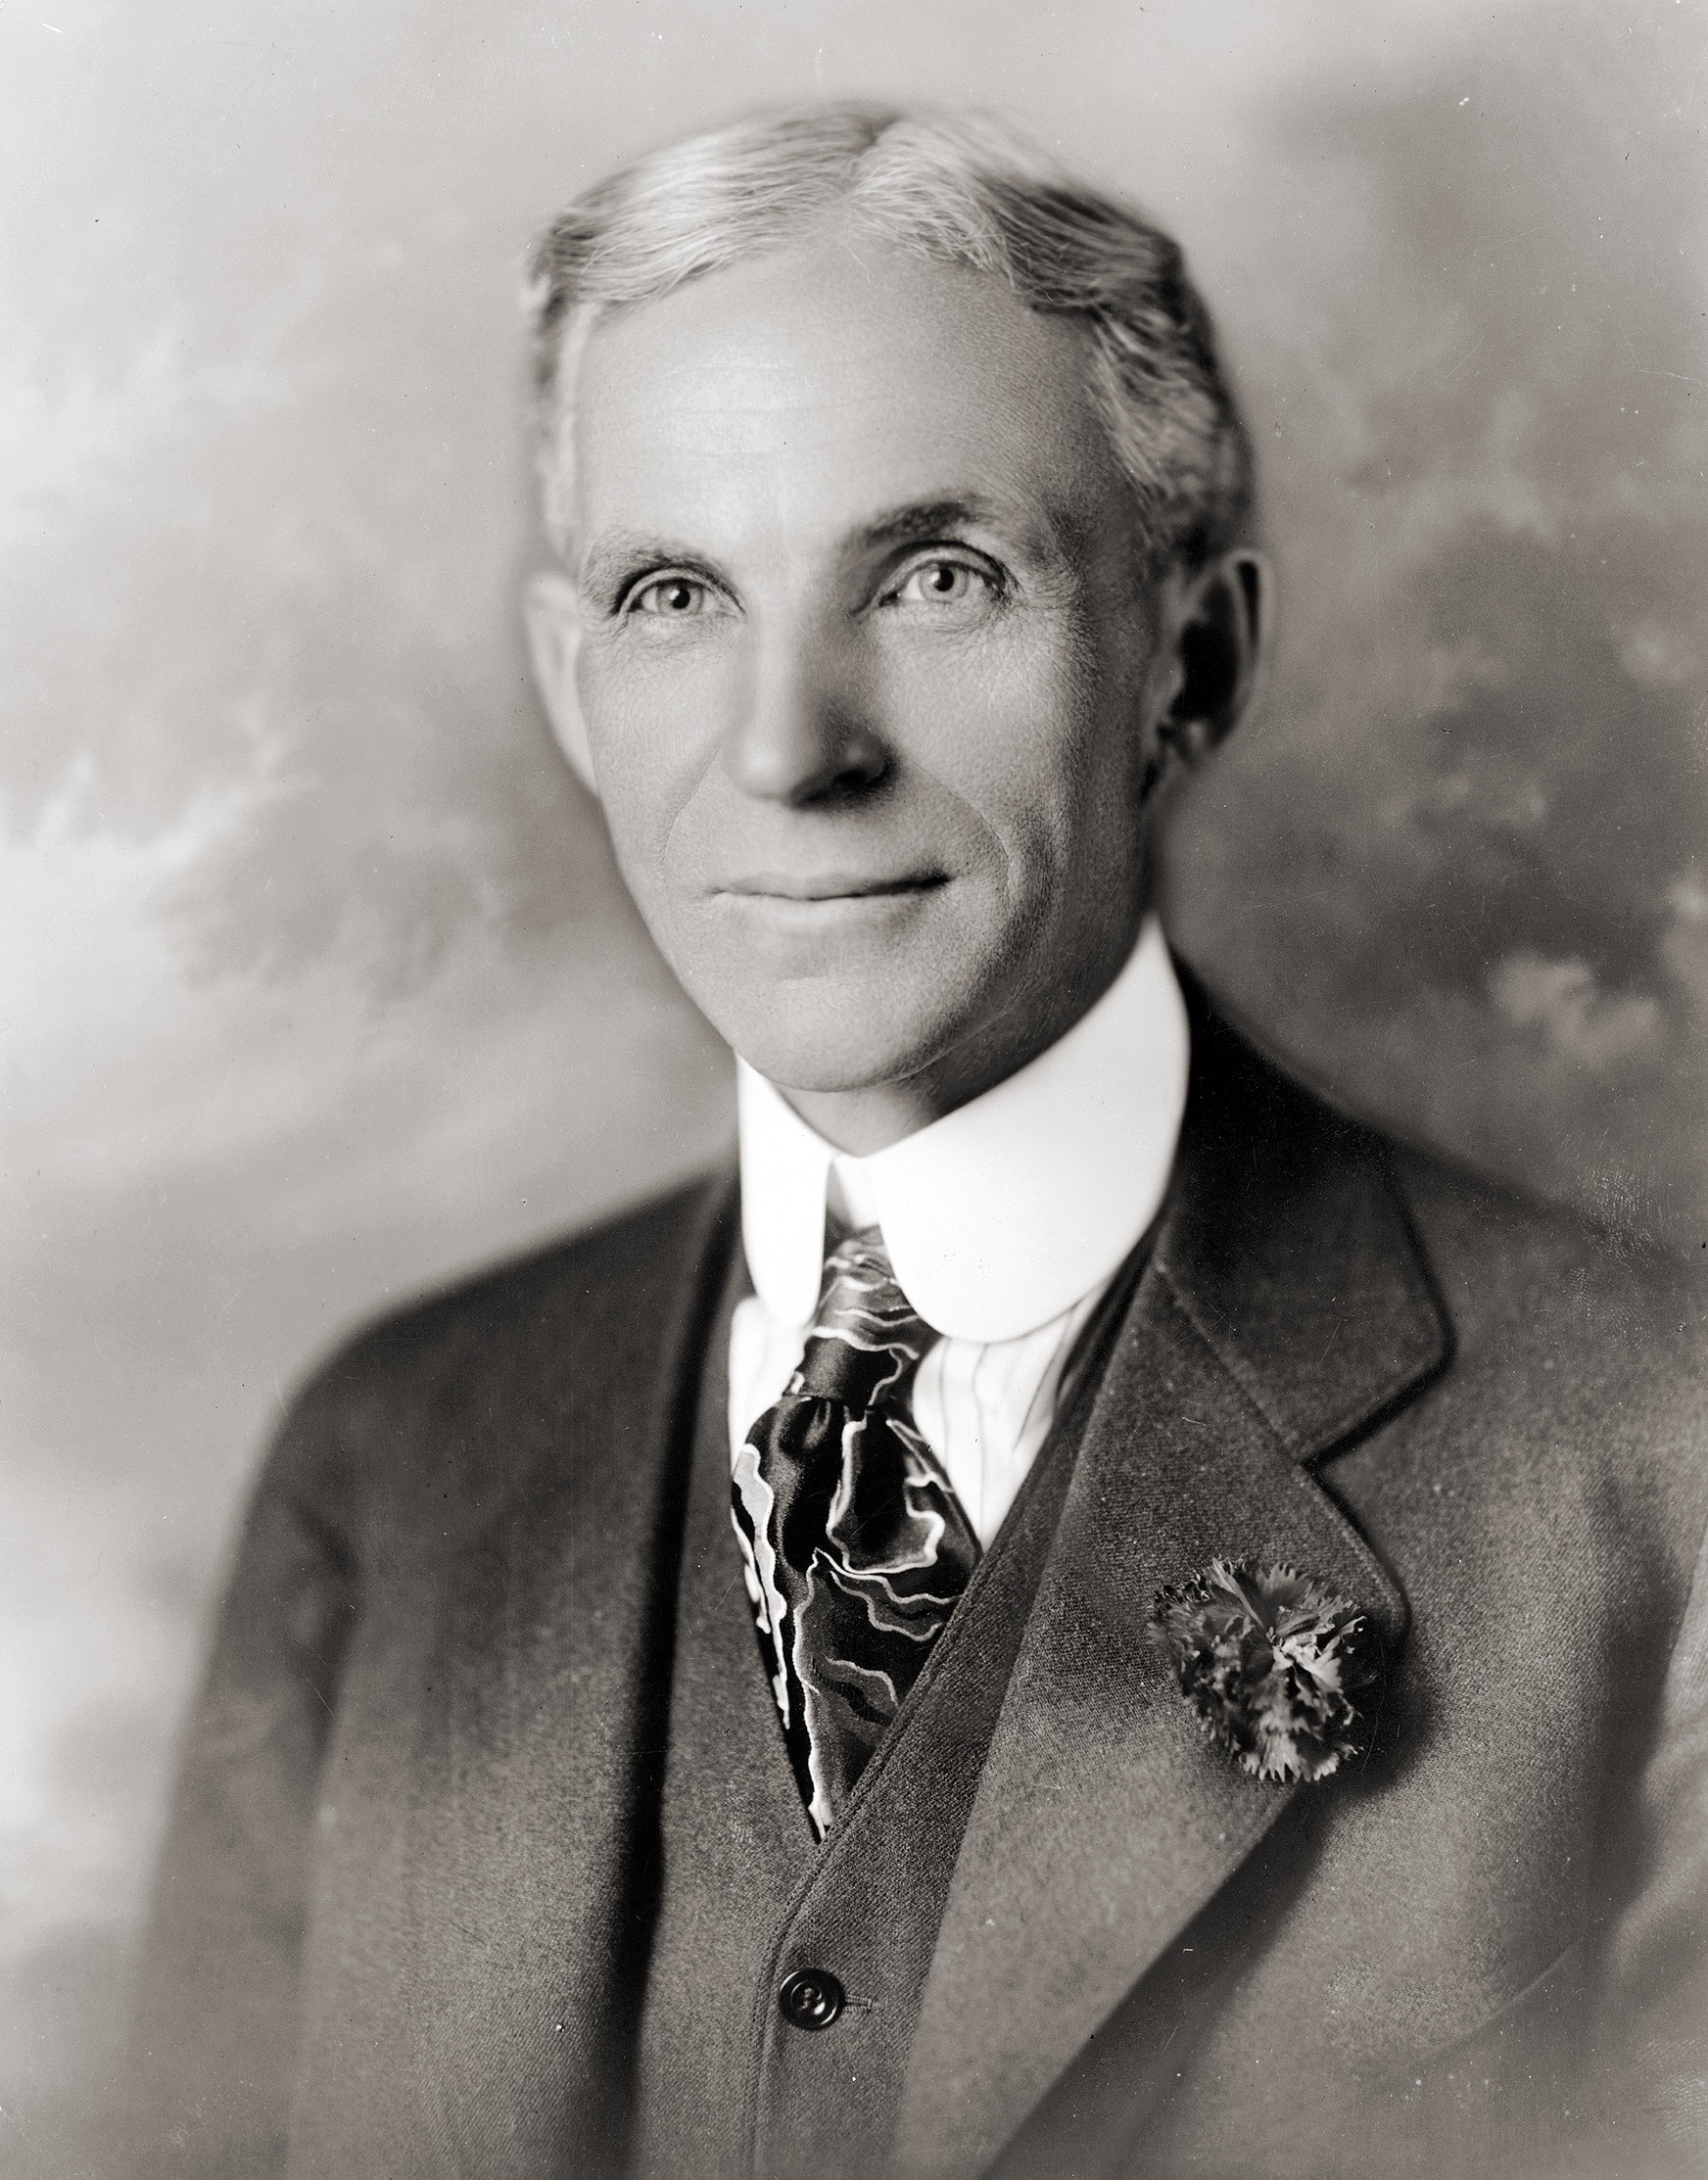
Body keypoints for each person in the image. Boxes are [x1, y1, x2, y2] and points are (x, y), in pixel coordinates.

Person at [129, 106, 1707, 2180]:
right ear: (567, 681)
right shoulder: (388, 1464)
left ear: (1187, 657)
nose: (788, 748)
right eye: (674, 592)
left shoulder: (1649, 1462)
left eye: (937, 575)